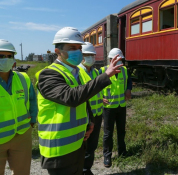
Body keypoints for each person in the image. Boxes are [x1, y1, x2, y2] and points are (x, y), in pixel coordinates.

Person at [36, 27, 122, 175]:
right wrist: (105, 76)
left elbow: (84, 99)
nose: (77, 51)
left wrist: (89, 121)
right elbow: (72, 97)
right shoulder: (48, 74)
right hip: (59, 148)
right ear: (58, 51)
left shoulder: (76, 73)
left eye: (79, 48)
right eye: (72, 48)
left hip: (78, 142)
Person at [0, 39, 38, 175]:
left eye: (9, 56)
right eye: (0, 56)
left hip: (21, 135)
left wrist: (32, 121)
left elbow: (32, 101)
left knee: (22, 172)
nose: (6, 59)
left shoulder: (23, 78)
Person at [99, 48, 132, 168]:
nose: (119, 61)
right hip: (108, 107)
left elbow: (129, 81)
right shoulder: (103, 71)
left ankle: (122, 151)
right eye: (116, 59)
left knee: (121, 130)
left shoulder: (124, 70)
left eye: (120, 59)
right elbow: (95, 85)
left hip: (121, 106)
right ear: (110, 60)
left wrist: (129, 89)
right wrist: (100, 98)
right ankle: (107, 156)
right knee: (108, 133)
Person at [77, 42, 103, 175]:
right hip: (85, 116)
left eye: (93, 55)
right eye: (88, 55)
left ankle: (87, 169)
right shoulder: (77, 72)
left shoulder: (96, 71)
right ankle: (81, 170)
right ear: (82, 56)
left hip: (98, 114)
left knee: (92, 145)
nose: (91, 58)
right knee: (83, 146)